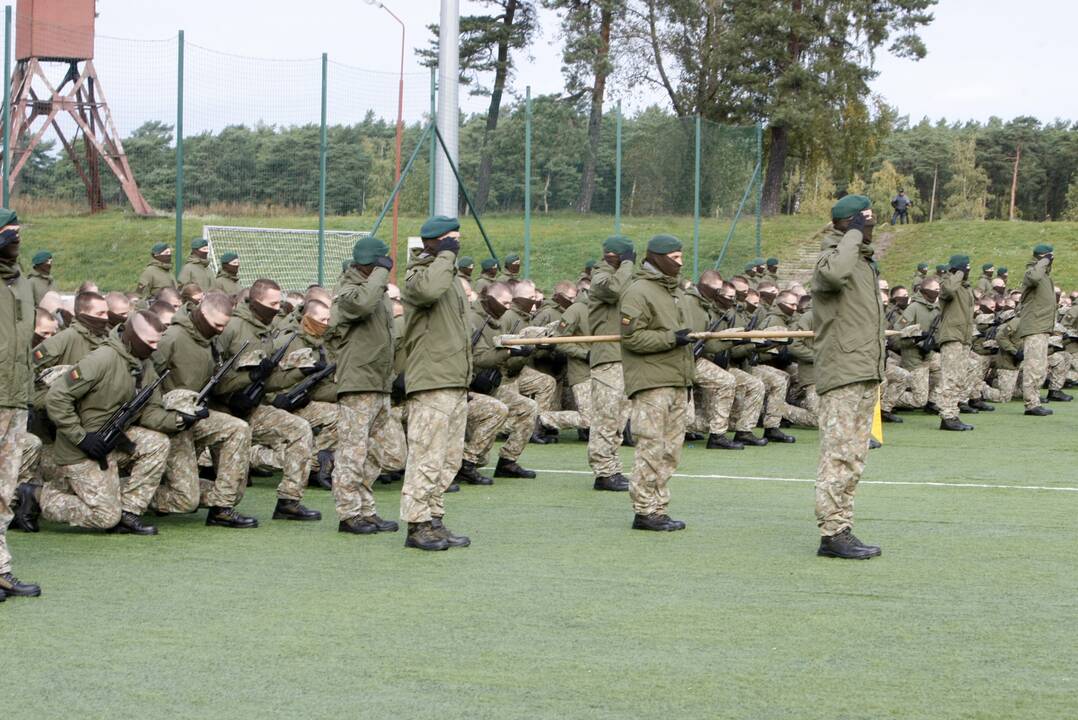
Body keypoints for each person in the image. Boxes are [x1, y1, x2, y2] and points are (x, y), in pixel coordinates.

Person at [28, 311, 176, 536]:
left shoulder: (144, 365)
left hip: (112, 442)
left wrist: (177, 420)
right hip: (80, 450)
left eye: (158, 341)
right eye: (150, 342)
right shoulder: (102, 359)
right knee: (105, 516)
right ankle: (36, 496)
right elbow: (57, 397)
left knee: (157, 443)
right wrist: (81, 437)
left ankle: (129, 511)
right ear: (132, 337)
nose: (155, 348)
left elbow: (150, 411)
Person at [811, 194, 884, 559]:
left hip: (863, 371)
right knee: (838, 455)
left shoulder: (863, 263)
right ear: (848, 224)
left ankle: (842, 527)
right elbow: (834, 275)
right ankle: (832, 532)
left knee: (854, 457)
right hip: (842, 371)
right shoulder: (832, 256)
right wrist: (852, 236)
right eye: (864, 222)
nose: (870, 228)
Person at [214, 278, 321, 522]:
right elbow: (214, 374)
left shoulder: (266, 332)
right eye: (272, 303)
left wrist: (299, 373)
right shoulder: (231, 327)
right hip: (224, 408)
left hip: (252, 407)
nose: (277, 308)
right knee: (235, 485)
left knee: (299, 429)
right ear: (256, 302)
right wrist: (244, 380)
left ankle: (289, 500)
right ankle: (220, 508)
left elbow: (268, 380)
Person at [151, 292, 256, 527]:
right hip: (170, 422)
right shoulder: (172, 338)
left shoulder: (210, 341)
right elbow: (147, 383)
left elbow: (217, 383)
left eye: (224, 326)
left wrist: (250, 376)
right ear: (202, 313)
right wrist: (165, 415)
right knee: (186, 500)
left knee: (238, 428)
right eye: (217, 324)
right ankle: (123, 493)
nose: (220, 330)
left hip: (197, 415)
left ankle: (223, 507)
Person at [399, 216, 473, 551]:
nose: (455, 245)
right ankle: (417, 525)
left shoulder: (451, 277)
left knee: (449, 458)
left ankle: (434, 519)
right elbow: (429, 290)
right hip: (432, 380)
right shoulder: (418, 275)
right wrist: (444, 256)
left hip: (455, 379)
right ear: (433, 242)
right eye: (449, 240)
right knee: (426, 456)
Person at [325, 237, 401, 536]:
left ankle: (366, 509)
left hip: (379, 380)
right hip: (358, 381)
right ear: (374, 263)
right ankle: (348, 513)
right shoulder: (348, 290)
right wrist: (382, 274)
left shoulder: (376, 290)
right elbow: (362, 305)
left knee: (374, 452)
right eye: (382, 263)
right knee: (352, 452)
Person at [619, 235, 694, 531]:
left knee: (670, 451)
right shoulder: (638, 291)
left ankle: (658, 507)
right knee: (651, 447)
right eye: (675, 258)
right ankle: (644, 510)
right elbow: (632, 337)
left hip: (676, 379)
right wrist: (670, 339)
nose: (681, 263)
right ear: (659, 257)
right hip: (652, 382)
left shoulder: (674, 292)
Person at [0, 210, 42, 599]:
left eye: (17, 234)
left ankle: (1, 569)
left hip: (15, 399)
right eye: (8, 234)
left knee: (4, 489)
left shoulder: (25, 285)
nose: (16, 240)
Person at [587, 236, 635, 492]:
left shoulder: (622, 276)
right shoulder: (600, 276)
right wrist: (627, 264)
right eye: (626, 256)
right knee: (606, 416)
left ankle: (612, 468)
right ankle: (603, 472)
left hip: (624, 355)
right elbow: (613, 291)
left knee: (618, 418)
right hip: (607, 357)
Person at [937, 255, 976, 431]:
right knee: (950, 377)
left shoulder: (966, 288)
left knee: (959, 377)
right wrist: (958, 272)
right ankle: (947, 415)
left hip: (964, 337)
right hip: (952, 336)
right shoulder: (947, 282)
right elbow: (949, 291)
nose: (967, 272)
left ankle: (953, 413)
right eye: (964, 269)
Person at [1018, 244, 1057, 416]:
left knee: (1040, 367)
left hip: (1042, 326)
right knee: (1033, 366)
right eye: (1049, 257)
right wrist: (1044, 261)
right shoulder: (1032, 271)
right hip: (1034, 326)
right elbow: (1034, 277)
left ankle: (1035, 401)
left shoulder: (1044, 276)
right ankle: (1031, 404)